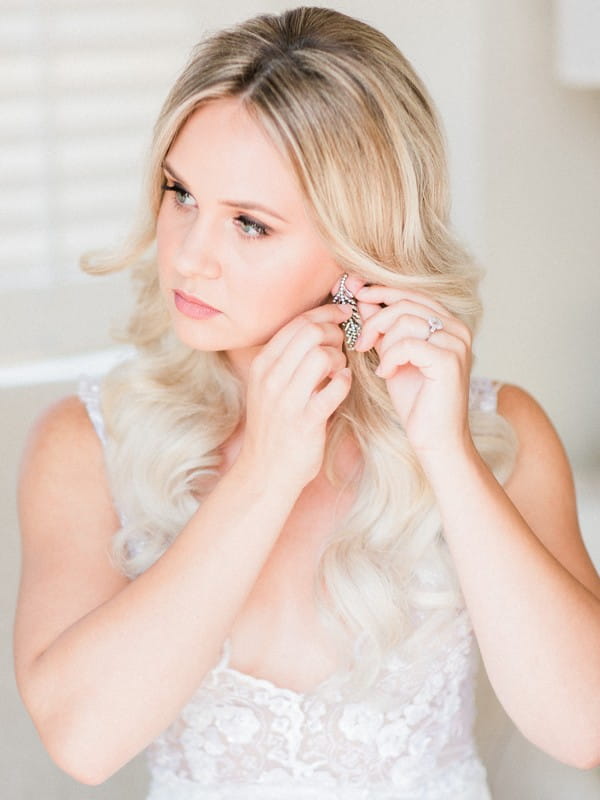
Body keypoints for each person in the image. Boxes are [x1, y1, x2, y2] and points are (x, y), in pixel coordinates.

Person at [13, 6, 600, 799]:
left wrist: (448, 457)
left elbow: (582, 727)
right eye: (180, 192)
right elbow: (82, 741)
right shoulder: (84, 442)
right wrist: (263, 475)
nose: (188, 255)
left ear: (361, 243)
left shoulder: (499, 431)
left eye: (250, 224)